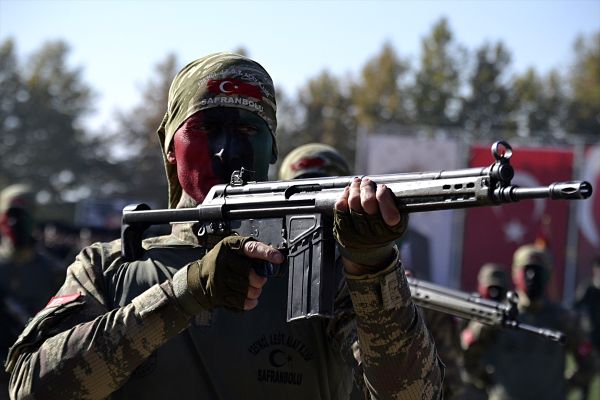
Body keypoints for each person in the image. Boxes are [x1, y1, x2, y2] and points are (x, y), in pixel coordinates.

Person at [5, 53, 442, 399]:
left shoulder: (321, 272)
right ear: (170, 149)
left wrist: (372, 268)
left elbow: (415, 395)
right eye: (207, 128)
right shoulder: (110, 267)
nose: (226, 150)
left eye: (248, 129)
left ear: (272, 149)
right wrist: (184, 295)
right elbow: (30, 387)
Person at [279, 143, 465, 399]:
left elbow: (411, 392)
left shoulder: (343, 289)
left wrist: (378, 277)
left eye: (323, 198)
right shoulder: (256, 267)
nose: (313, 214)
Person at [461, 245, 594, 400]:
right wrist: (490, 381)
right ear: (515, 274)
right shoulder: (498, 316)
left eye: (538, 271)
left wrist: (564, 386)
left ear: (548, 276)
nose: (532, 277)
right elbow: (466, 351)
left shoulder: (564, 320)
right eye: (527, 270)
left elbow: (589, 362)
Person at [0, 184, 64, 399]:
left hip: (33, 369)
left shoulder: (53, 271)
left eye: (21, 216)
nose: (14, 223)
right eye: (10, 215)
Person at [459, 263, 509, 400]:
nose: (494, 294)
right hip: (472, 386)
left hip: (501, 386)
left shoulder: (510, 318)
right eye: (490, 289)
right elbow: (463, 346)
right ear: (480, 287)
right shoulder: (468, 312)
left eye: (498, 289)